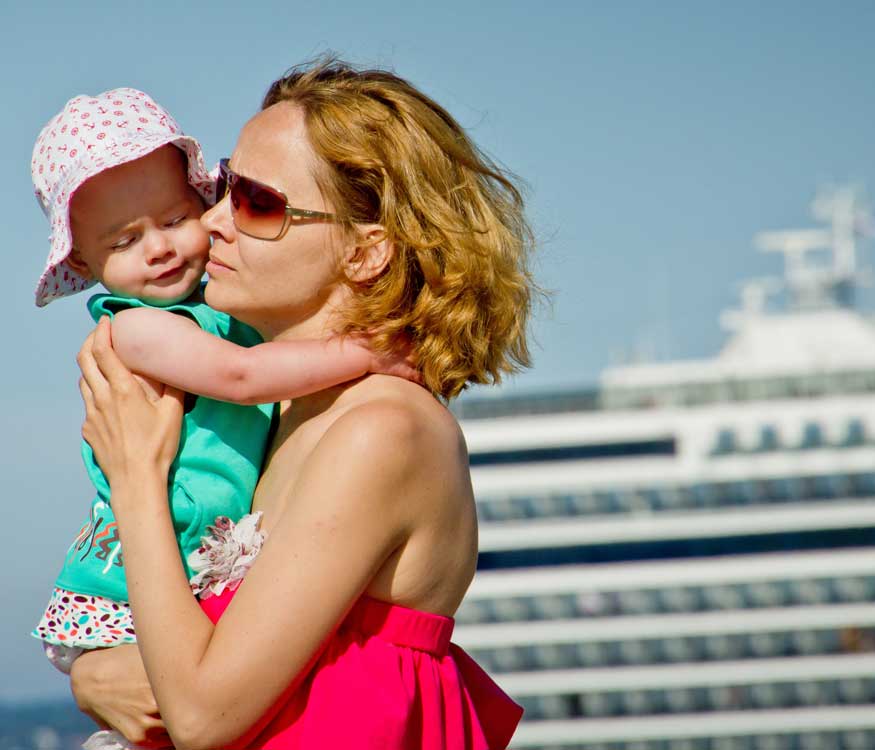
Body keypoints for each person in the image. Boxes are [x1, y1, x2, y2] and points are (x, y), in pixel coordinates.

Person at [70, 58, 537, 749]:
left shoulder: (383, 428)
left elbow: (203, 715)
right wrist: (94, 671)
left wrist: (136, 476)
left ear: (366, 254)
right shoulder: (283, 417)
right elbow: (188, 663)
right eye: (223, 186)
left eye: (257, 201)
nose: (212, 220)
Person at [30, 87, 419, 749]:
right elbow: (242, 379)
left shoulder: (229, 317)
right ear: (89, 268)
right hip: (128, 585)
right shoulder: (136, 331)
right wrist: (362, 353)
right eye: (126, 240)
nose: (159, 248)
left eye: (177, 217)